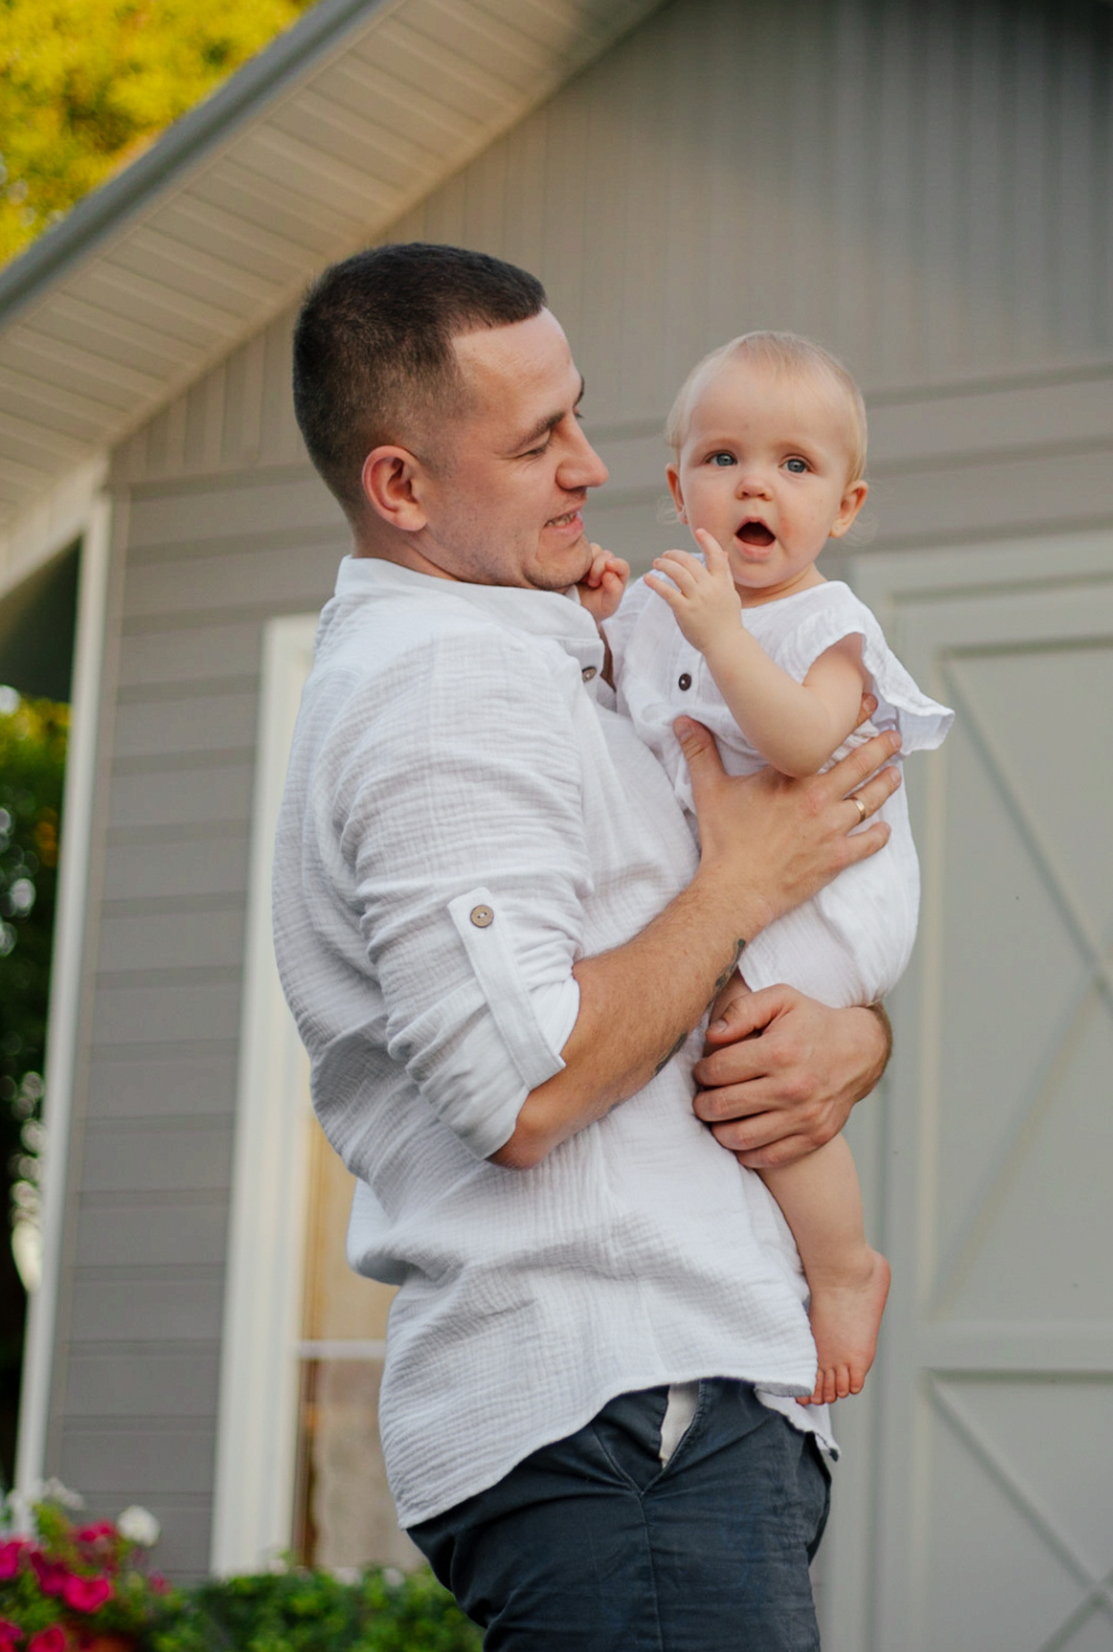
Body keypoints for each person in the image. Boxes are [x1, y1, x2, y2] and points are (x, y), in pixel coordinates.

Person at [273, 242, 894, 1649]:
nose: (590, 466)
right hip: (622, 1419)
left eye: (579, 415)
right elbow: (526, 1087)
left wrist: (850, 1036)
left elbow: (696, 957)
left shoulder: (539, 643)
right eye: (539, 436)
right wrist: (744, 884)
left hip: (664, 1415)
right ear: (401, 486)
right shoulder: (442, 688)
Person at [596, 330, 952, 1406]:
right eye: (724, 459)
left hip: (838, 886)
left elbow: (802, 740)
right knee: (718, 1025)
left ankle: (844, 1268)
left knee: (750, 1047)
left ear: (841, 508)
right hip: (746, 878)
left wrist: (722, 635)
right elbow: (622, 695)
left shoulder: (826, 624)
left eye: (795, 466)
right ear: (677, 488)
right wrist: (602, 618)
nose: (757, 483)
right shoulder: (663, 606)